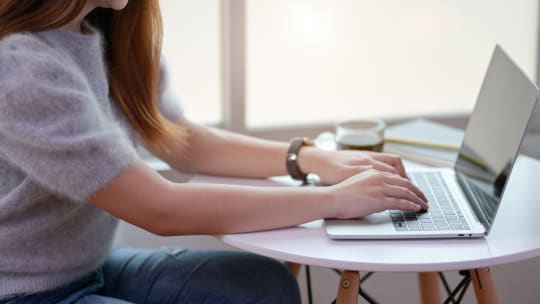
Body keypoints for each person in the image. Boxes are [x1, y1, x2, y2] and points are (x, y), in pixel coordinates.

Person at [0, 0, 428, 303]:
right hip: (27, 291)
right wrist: (334, 201)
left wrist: (308, 158)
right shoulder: (23, 67)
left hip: (92, 268)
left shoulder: (101, 28)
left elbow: (178, 137)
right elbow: (159, 209)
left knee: (261, 283)